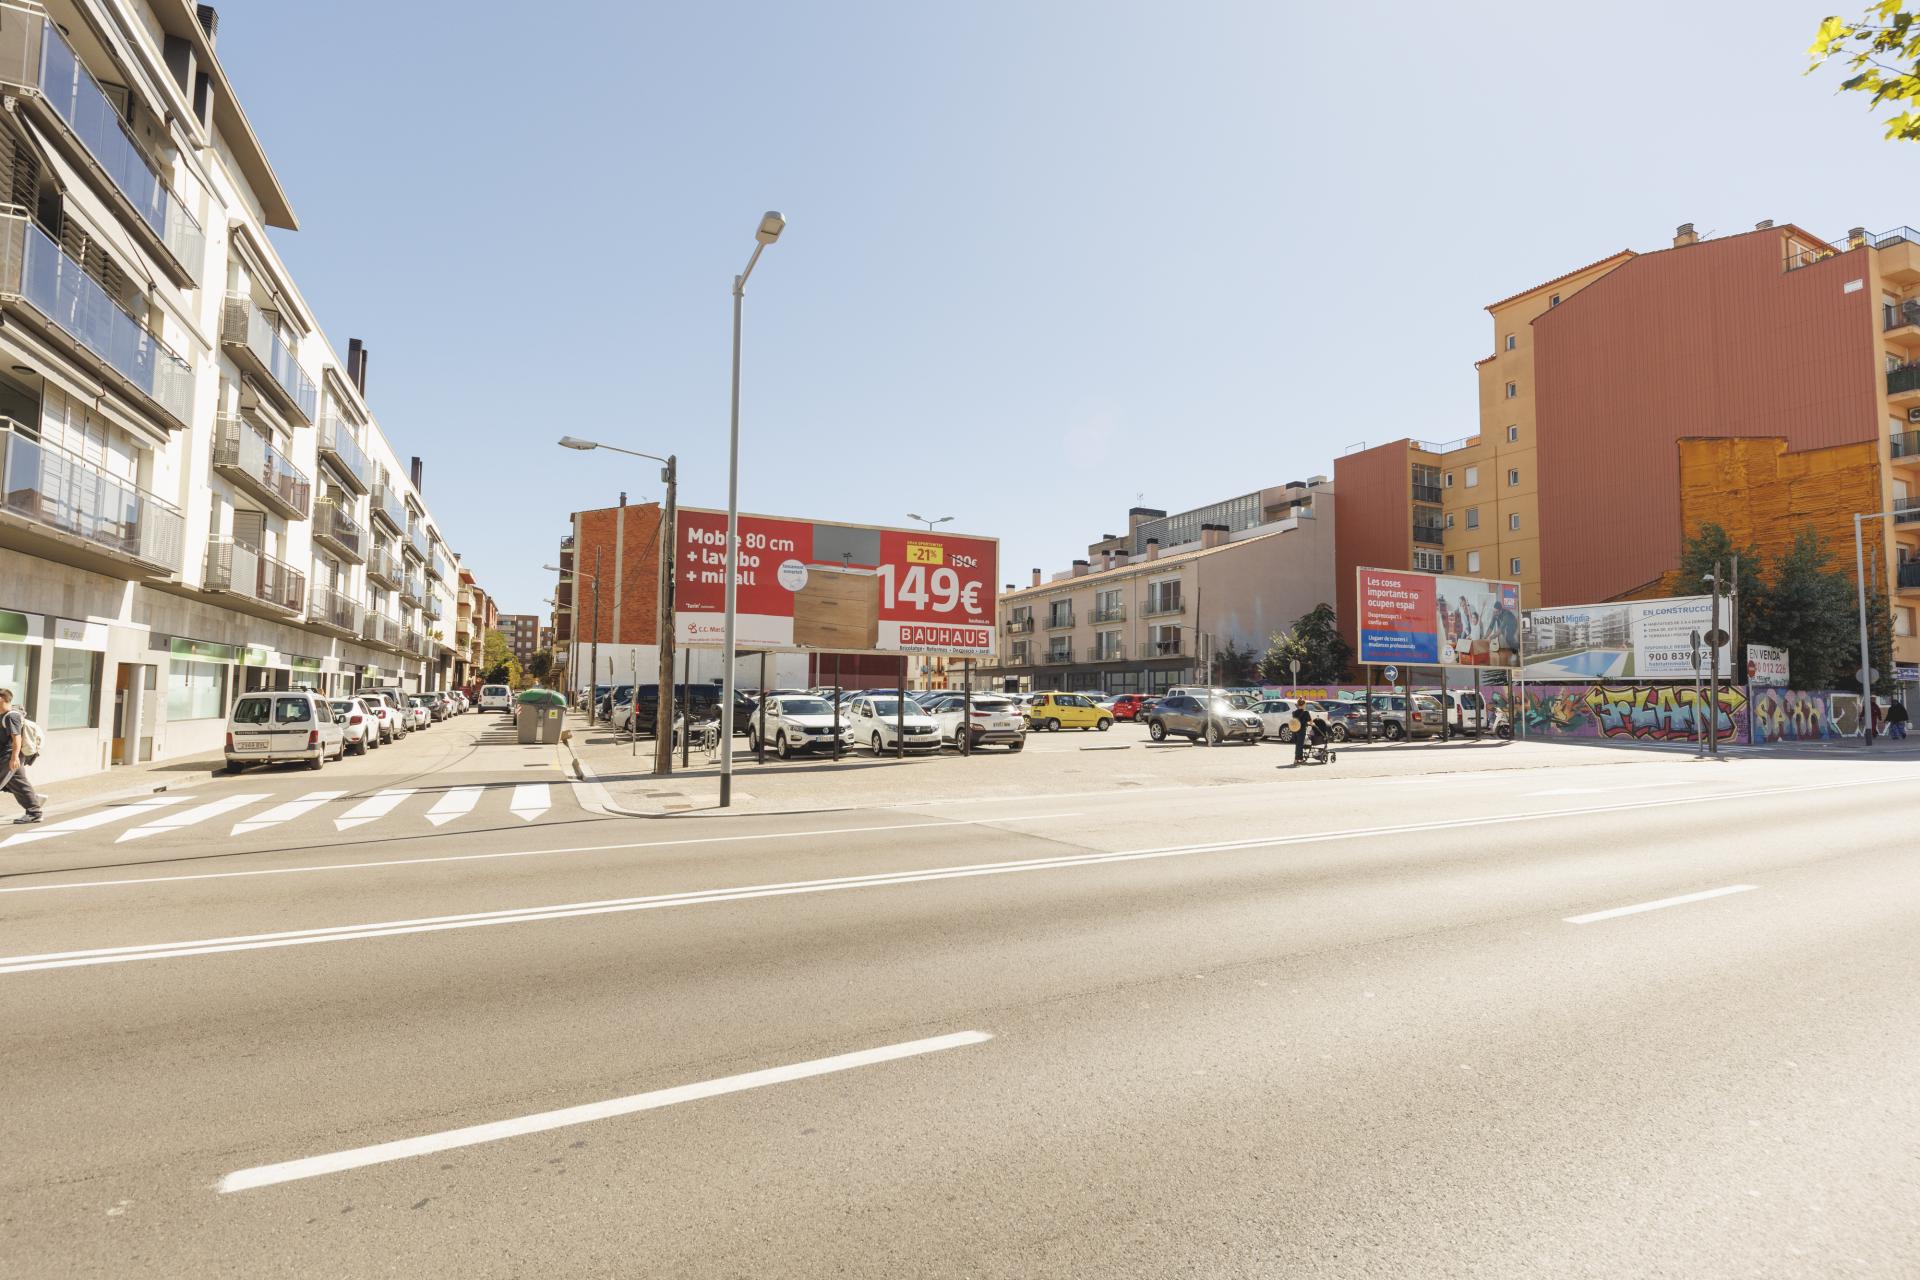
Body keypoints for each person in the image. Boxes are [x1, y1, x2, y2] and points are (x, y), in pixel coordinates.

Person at [0, 687, 44, 825]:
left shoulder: (11, 716)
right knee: (19, 784)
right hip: (8, 756)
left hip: (9, 756)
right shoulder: (3, 715)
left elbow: (16, 738)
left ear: (2, 699)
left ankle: (34, 809)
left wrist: (14, 757)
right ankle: (34, 811)